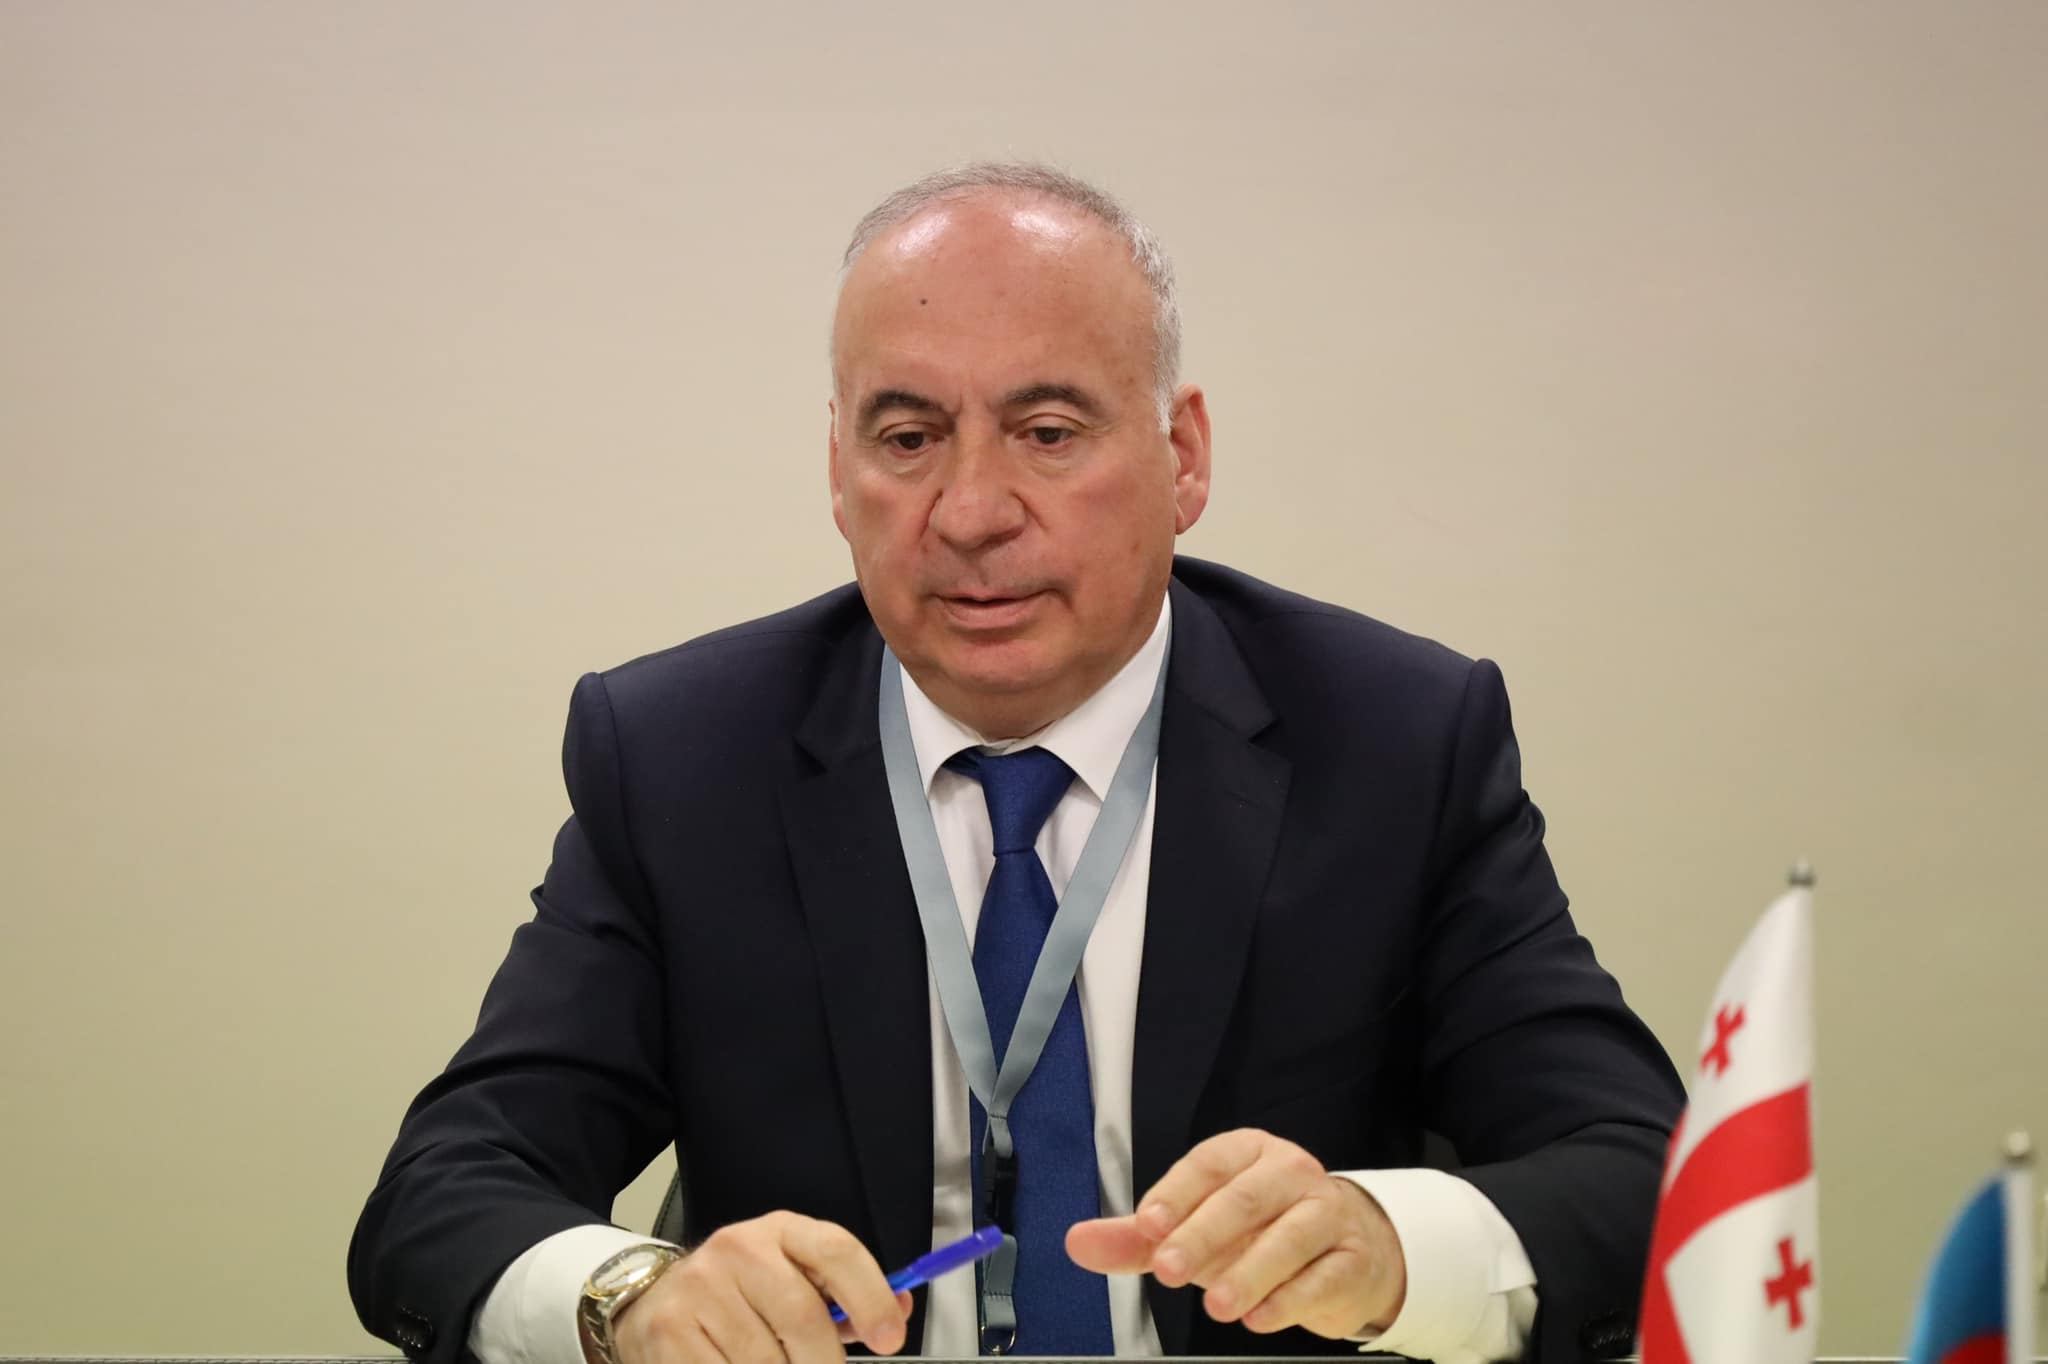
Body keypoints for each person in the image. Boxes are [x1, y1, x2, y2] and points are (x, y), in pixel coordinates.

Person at [348, 163, 1684, 1364]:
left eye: (1047, 431)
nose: (973, 513)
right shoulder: (683, 757)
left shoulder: (1394, 740)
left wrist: (1392, 1247)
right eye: (908, 439)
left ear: (1183, 457)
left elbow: (1643, 1174)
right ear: (838, 472)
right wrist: (631, 1301)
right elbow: (444, 1194)